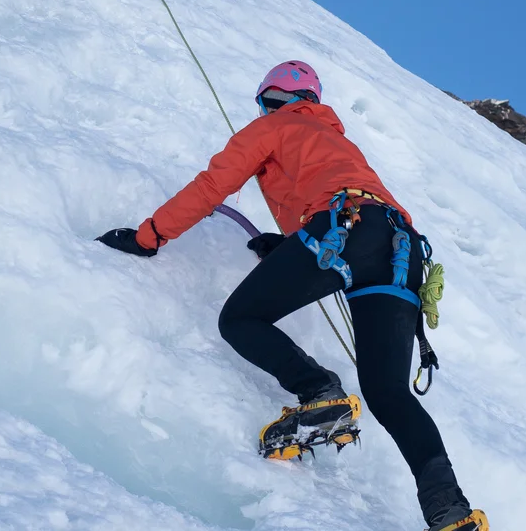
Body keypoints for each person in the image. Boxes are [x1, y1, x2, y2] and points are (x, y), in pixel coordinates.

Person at [97, 61, 488, 531]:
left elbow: (211, 187)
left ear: (273, 99)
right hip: (402, 247)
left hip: (344, 229)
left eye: (265, 103)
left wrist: (148, 237)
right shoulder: (339, 141)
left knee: (241, 319)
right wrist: (286, 244)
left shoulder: (275, 126)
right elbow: (337, 195)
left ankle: (319, 391)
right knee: (389, 394)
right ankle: (451, 514)